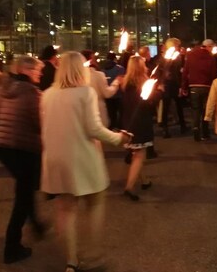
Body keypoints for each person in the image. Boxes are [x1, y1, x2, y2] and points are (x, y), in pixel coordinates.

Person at [40, 51, 130, 272]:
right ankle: (93, 252)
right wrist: (118, 138)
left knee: (65, 209)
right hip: (83, 156)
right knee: (95, 203)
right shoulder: (85, 93)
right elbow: (93, 128)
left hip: (55, 157)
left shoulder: (48, 94)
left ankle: (71, 260)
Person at [0, 55, 46, 264]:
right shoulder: (31, 92)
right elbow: (39, 122)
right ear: (27, 70)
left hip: (4, 147)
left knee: (24, 189)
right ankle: (12, 247)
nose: (40, 74)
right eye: (38, 70)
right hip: (24, 147)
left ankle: (35, 223)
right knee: (23, 195)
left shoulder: (3, 87)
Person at [121, 56, 162, 200]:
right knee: (139, 155)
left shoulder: (125, 84)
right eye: (143, 64)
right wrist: (159, 92)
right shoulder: (144, 84)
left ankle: (144, 181)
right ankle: (129, 187)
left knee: (136, 154)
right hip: (140, 123)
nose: (146, 66)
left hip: (128, 122)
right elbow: (148, 104)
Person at [181, 39, 217, 141]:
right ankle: (205, 132)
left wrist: (184, 87)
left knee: (196, 110)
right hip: (206, 86)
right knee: (206, 109)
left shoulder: (191, 55)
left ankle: (196, 129)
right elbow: (213, 74)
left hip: (194, 86)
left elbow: (185, 72)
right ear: (208, 46)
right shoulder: (210, 58)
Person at [82, 50, 121, 128]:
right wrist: (117, 82)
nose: (96, 60)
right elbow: (107, 93)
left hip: (83, 113)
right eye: (94, 58)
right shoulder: (98, 75)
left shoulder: (77, 77)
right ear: (91, 60)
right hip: (98, 111)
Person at [159, 37, 186, 138]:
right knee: (174, 106)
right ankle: (179, 126)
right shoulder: (173, 56)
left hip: (169, 83)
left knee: (169, 106)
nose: (179, 47)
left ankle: (167, 127)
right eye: (178, 45)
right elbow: (176, 71)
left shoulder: (167, 56)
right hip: (171, 84)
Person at [102, 52, 126, 131]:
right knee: (120, 111)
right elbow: (122, 80)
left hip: (107, 94)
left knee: (110, 111)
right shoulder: (120, 68)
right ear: (115, 58)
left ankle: (111, 126)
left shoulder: (102, 69)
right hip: (118, 93)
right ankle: (120, 126)